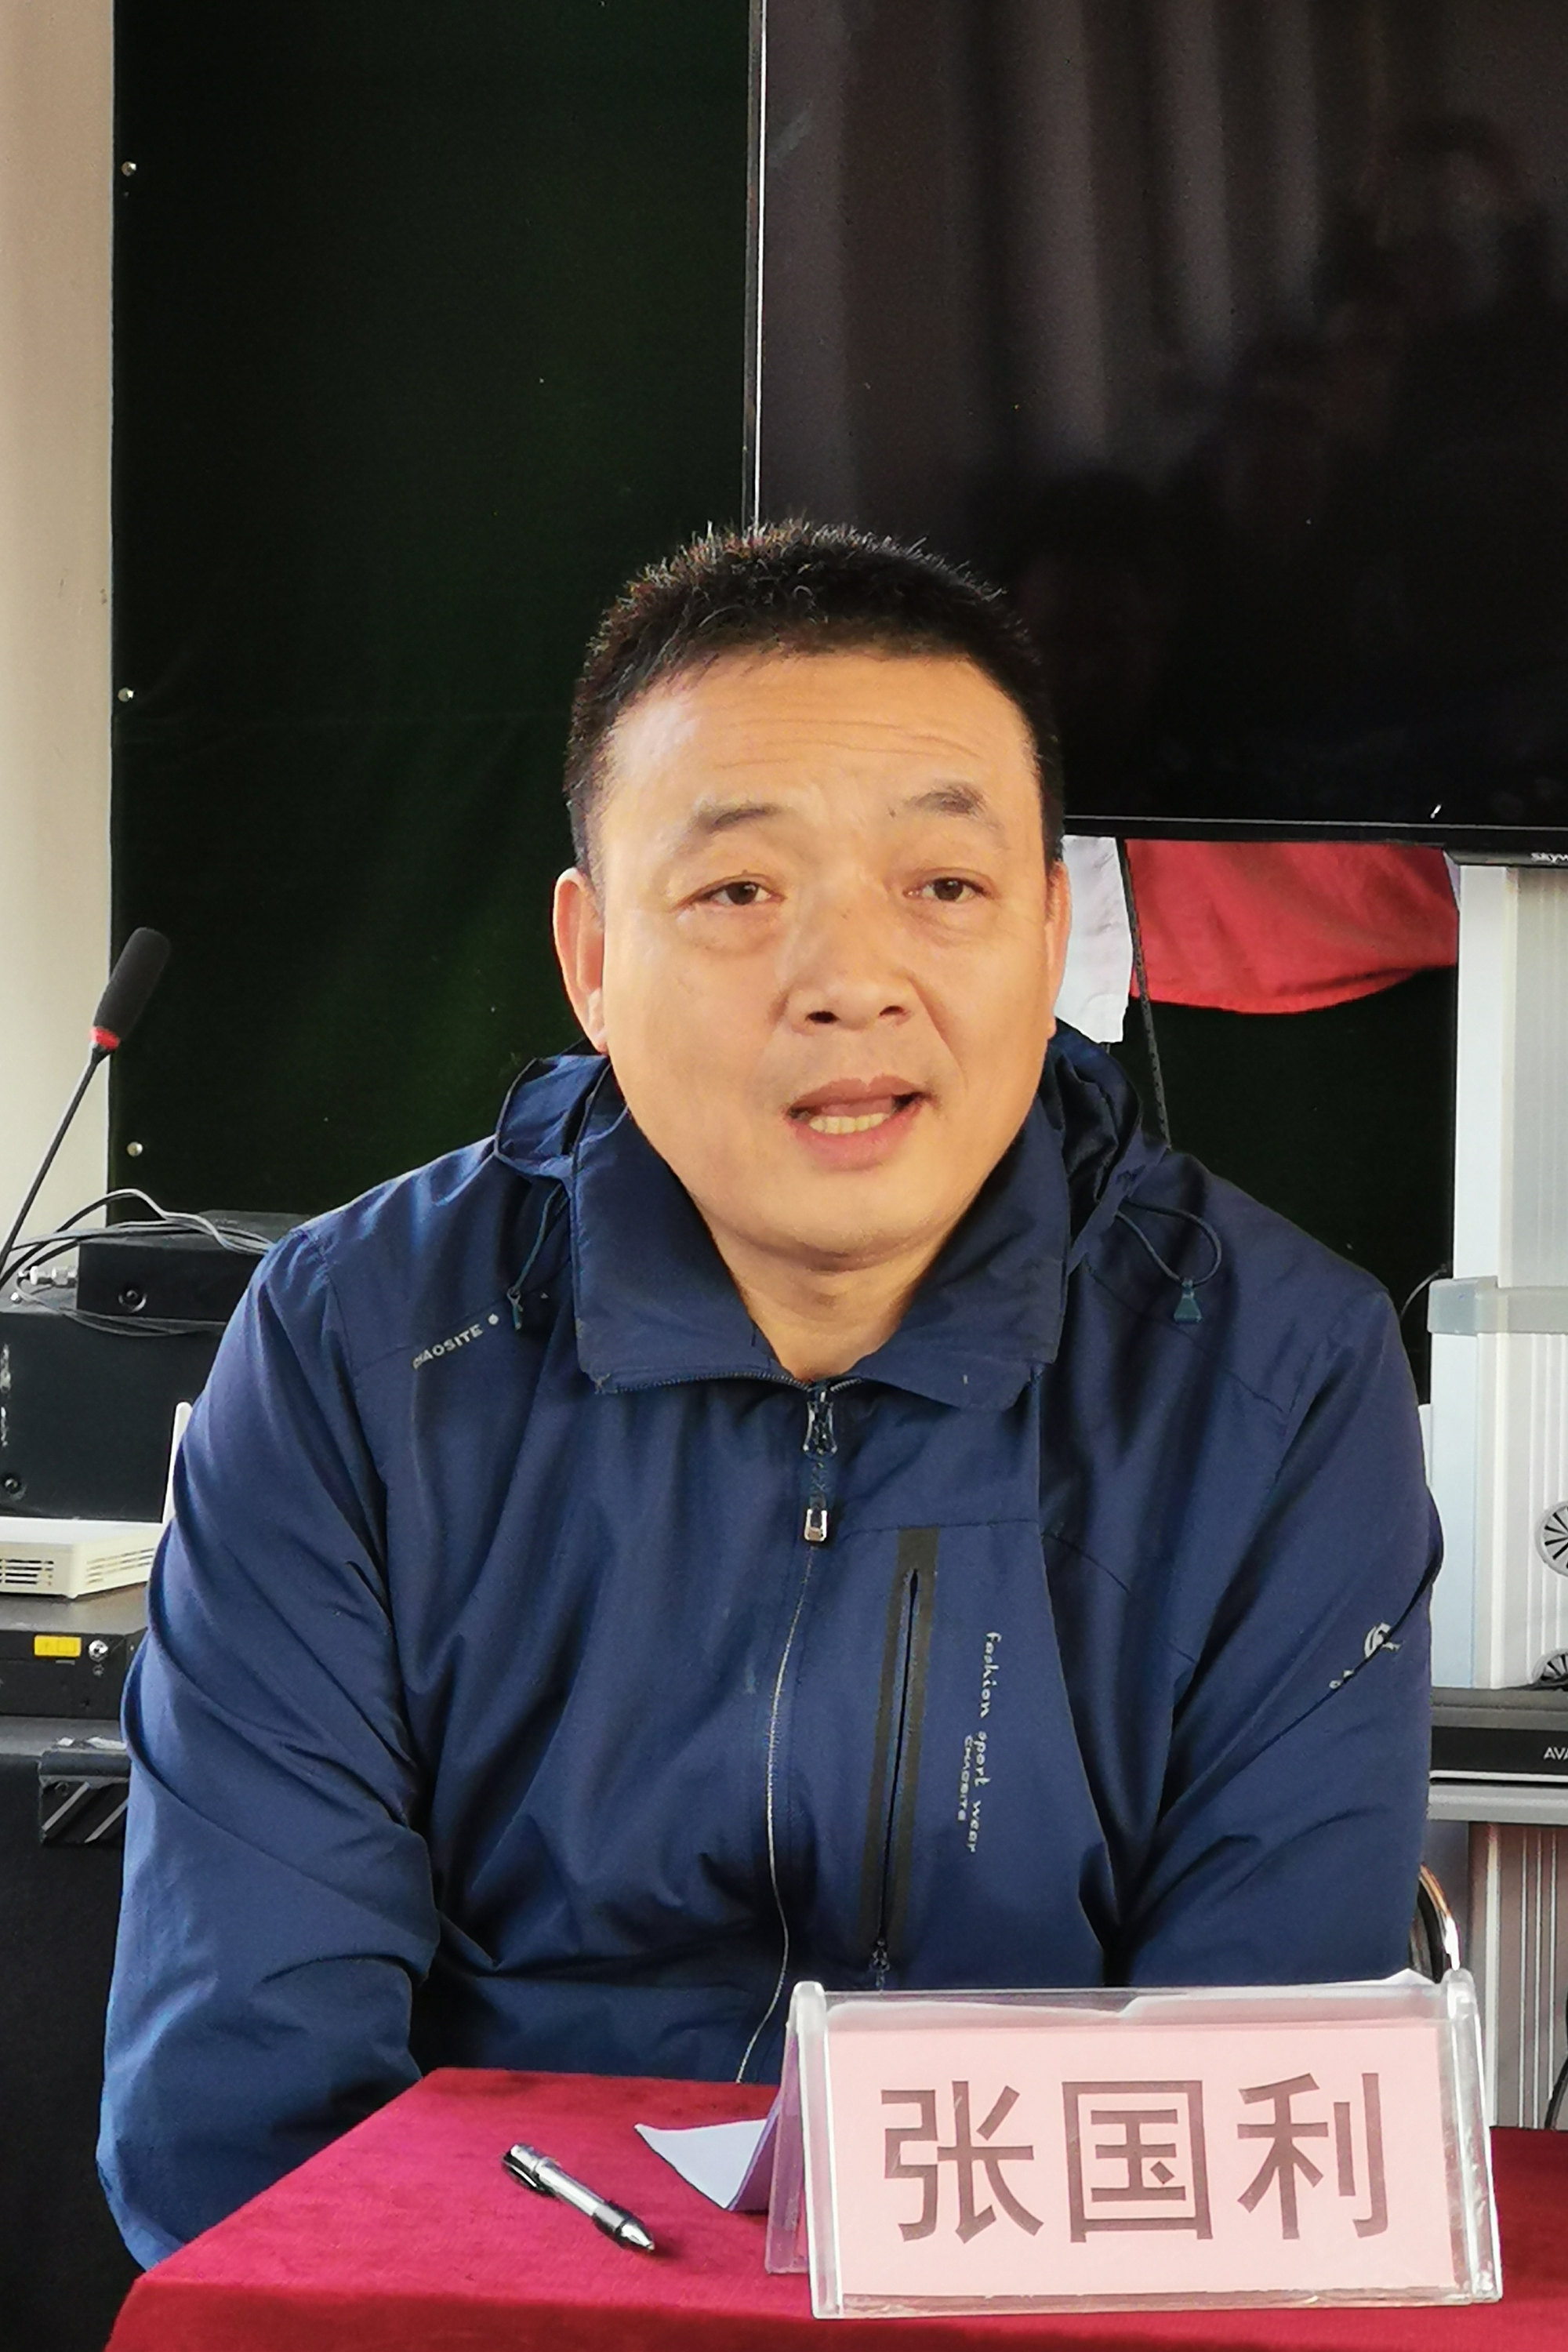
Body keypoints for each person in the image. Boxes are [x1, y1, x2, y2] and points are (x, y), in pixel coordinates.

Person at [99, 522, 1436, 2268]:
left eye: (944, 887)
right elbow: (247, 2118)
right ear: (591, 958)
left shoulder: (1276, 1375)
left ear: (1050, 935)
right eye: (739, 892)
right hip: (499, 2305)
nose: (851, 980)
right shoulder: (356, 1349)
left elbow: (1247, 2124)